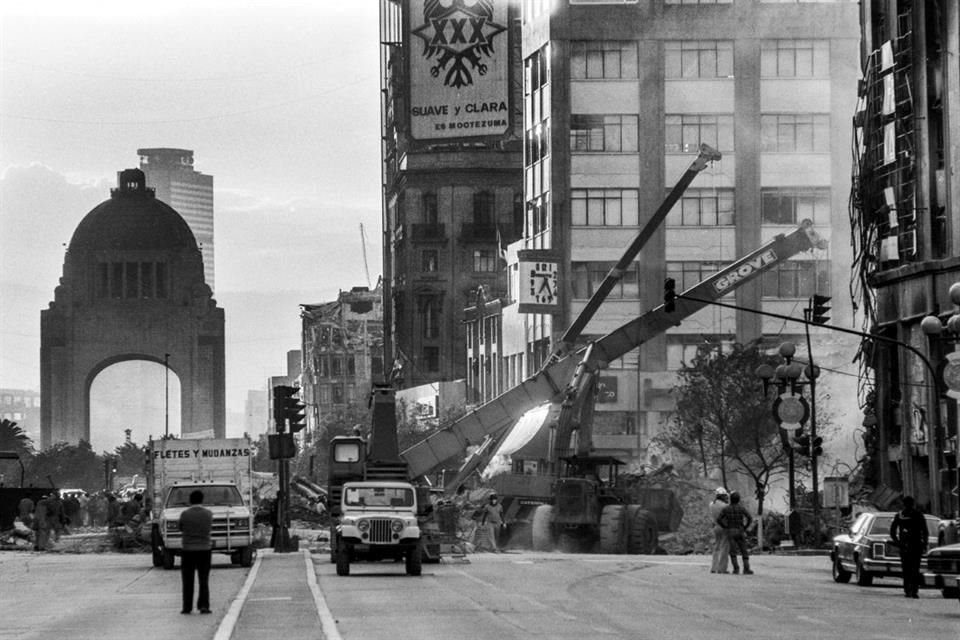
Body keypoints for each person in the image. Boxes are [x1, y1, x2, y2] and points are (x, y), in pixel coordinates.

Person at [179, 489, 214, 614]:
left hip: (188, 550)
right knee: (204, 579)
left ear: (190, 500)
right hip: (204, 549)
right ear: (202, 500)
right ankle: (204, 605)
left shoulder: (185, 514)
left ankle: (187, 606)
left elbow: (181, 528)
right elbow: (209, 527)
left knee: (187, 580)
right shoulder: (208, 514)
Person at [890, 495, 928, 598]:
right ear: (913, 504)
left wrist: (898, 542)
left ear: (903, 504)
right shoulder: (918, 514)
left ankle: (907, 590)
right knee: (915, 569)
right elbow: (925, 531)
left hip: (905, 546)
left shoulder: (900, 515)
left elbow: (892, 531)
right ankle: (914, 591)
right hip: (916, 545)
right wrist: (925, 544)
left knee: (906, 569)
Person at [718, 491, 754, 575]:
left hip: (730, 530)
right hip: (740, 529)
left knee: (733, 551)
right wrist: (745, 527)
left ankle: (736, 569)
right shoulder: (741, 508)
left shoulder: (726, 509)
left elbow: (719, 519)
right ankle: (746, 568)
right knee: (744, 550)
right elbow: (749, 518)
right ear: (738, 499)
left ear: (730, 499)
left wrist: (725, 527)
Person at [709, 488, 730, 574]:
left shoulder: (711, 504)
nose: (726, 497)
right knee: (724, 547)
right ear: (722, 496)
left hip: (716, 527)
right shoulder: (725, 506)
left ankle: (714, 567)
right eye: (725, 496)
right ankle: (722, 568)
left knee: (716, 547)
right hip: (724, 527)